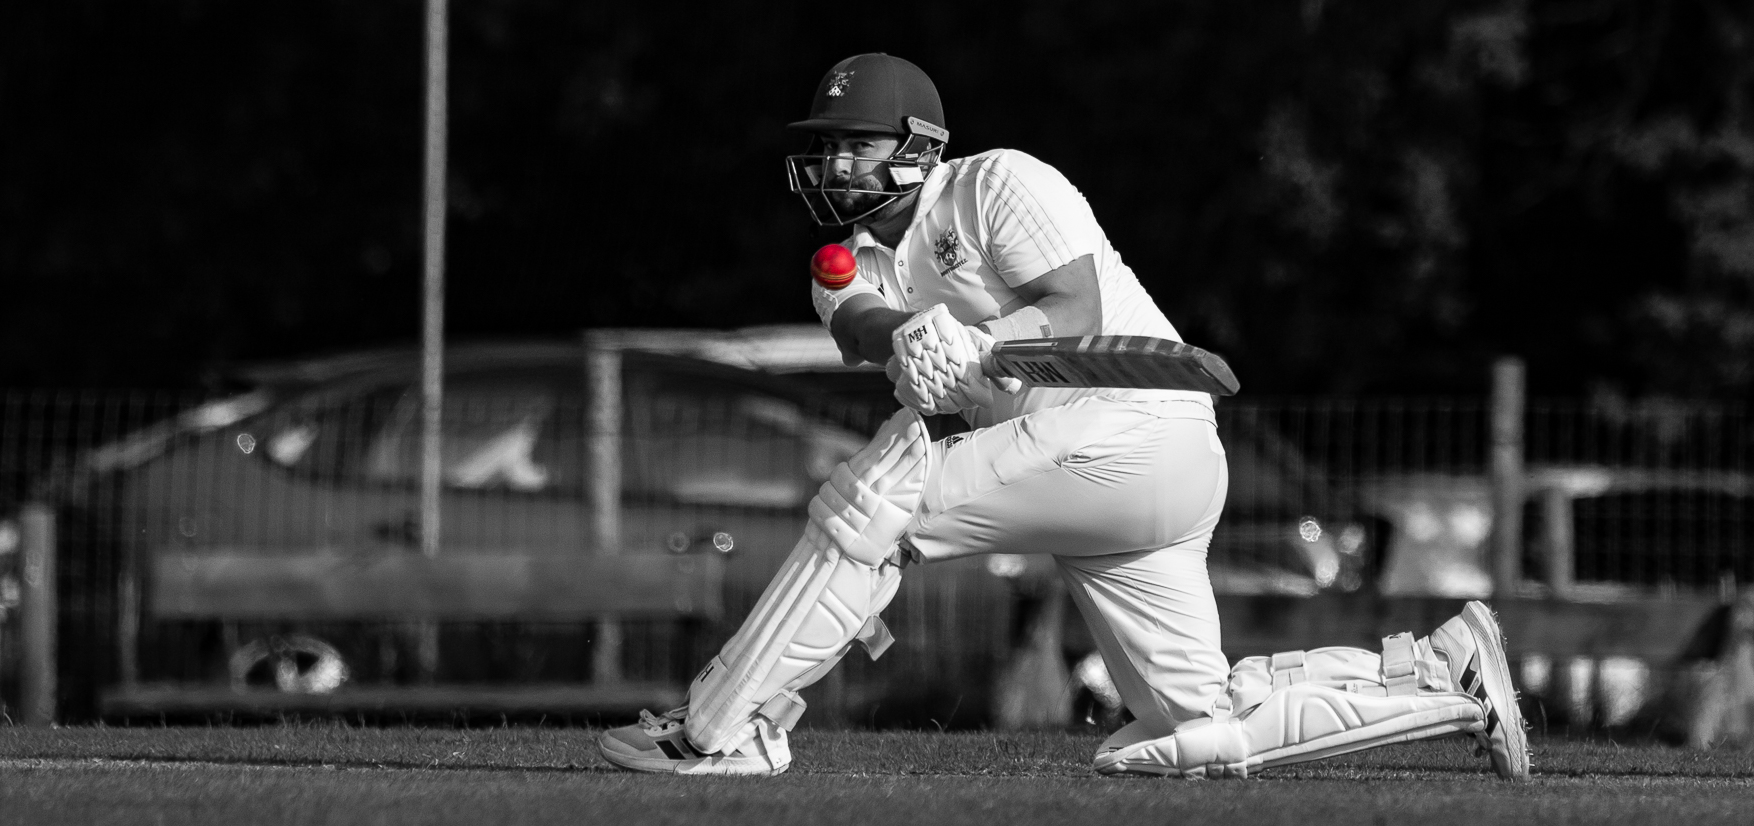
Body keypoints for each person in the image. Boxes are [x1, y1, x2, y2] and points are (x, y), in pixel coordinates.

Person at [599, 52, 1529, 780]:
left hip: (1133, 425)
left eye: (856, 144)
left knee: (874, 498)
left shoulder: (997, 183)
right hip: (1092, 475)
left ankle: (726, 729)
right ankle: (1448, 676)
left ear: (918, 143)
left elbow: (1075, 311)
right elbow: (861, 323)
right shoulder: (844, 264)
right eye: (827, 146)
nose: (835, 164)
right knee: (1187, 733)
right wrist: (912, 336)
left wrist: (983, 337)